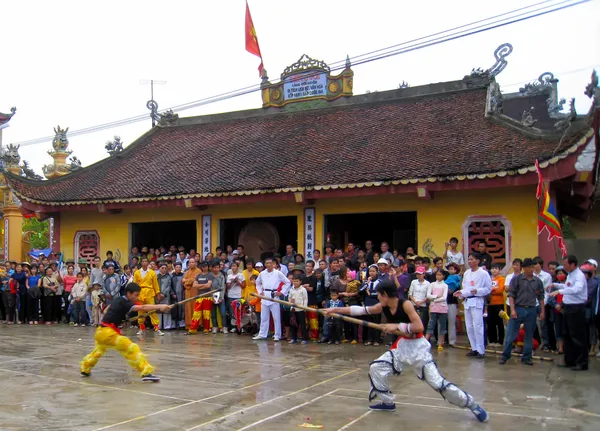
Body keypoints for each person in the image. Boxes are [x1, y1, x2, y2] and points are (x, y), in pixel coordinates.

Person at [325, 280, 489, 421]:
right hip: (402, 347)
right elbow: (360, 310)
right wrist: (334, 310)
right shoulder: (383, 306)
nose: (378, 298)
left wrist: (396, 326)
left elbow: (419, 327)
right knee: (377, 367)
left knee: (438, 383)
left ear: (385, 294)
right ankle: (388, 402)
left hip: (418, 348)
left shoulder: (406, 304)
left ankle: (471, 405)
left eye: (379, 295)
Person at [80, 283, 169, 382]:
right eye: (136, 295)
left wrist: (120, 319)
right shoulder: (125, 302)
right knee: (132, 348)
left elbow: (106, 311)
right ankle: (145, 372)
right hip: (108, 333)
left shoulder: (118, 299)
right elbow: (143, 308)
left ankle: (85, 368)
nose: (137, 297)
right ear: (128, 293)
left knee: (97, 351)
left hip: (101, 331)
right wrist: (160, 306)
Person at [499, 258, 544, 366]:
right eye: (529, 267)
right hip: (518, 308)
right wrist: (513, 310)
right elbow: (511, 296)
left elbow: (541, 297)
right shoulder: (516, 279)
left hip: (532, 309)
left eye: (533, 267)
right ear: (524, 268)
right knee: (511, 334)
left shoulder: (537, 281)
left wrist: (542, 311)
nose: (531, 269)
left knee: (529, 334)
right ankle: (505, 355)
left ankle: (527, 357)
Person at [549, 255, 588, 370]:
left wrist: (559, 291)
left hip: (576, 308)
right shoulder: (571, 275)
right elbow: (568, 286)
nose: (564, 267)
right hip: (568, 307)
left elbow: (576, 289)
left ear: (572, 264)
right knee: (567, 335)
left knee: (577, 336)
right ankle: (570, 360)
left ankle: (581, 362)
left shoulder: (579, 276)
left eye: (566, 265)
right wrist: (555, 285)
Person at [454, 253, 492, 358]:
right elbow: (465, 287)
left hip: (477, 300)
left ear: (477, 261)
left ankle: (481, 350)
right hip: (467, 301)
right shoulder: (466, 273)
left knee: (478, 326)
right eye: (469, 259)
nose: (469, 261)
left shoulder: (483, 273)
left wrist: (477, 290)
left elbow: (488, 288)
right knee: (469, 326)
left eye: (472, 259)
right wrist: (461, 293)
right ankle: (474, 348)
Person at [253, 258, 290, 342]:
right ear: (265, 264)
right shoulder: (262, 273)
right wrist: (260, 292)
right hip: (265, 295)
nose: (269, 264)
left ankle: (277, 335)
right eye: (267, 263)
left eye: (270, 263)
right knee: (264, 317)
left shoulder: (278, 273)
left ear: (273, 264)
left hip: (274, 295)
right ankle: (262, 334)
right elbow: (258, 283)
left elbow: (287, 282)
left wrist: (281, 292)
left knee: (276, 317)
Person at [133, 257, 164, 336]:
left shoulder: (152, 273)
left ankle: (156, 327)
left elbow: (155, 284)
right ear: (141, 263)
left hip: (149, 292)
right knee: (140, 311)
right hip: (140, 293)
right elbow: (134, 284)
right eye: (143, 261)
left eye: (146, 261)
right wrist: (134, 294)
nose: (144, 263)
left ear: (148, 263)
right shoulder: (137, 272)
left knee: (152, 310)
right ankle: (141, 328)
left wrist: (158, 293)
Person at [186, 260, 214, 334]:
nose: (205, 268)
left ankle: (206, 329)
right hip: (199, 297)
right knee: (196, 313)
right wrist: (203, 286)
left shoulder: (210, 275)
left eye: (206, 266)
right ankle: (192, 329)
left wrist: (200, 286)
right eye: (203, 266)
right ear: (201, 267)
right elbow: (194, 285)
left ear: (208, 267)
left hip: (207, 297)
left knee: (206, 313)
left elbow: (209, 285)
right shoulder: (198, 275)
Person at [426, 270, 448, 351]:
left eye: (440, 275)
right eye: (437, 275)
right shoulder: (432, 284)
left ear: (443, 276)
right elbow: (428, 295)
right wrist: (436, 297)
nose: (438, 276)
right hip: (433, 307)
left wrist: (434, 299)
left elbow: (444, 297)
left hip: (442, 308)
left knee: (442, 326)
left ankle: (440, 343)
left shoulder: (445, 285)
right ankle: (425, 342)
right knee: (431, 325)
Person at [362, 265, 381, 346]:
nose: (371, 273)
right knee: (369, 322)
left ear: (376, 272)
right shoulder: (366, 282)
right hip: (368, 304)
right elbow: (361, 290)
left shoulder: (379, 282)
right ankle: (369, 339)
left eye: (373, 271)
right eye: (370, 271)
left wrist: (370, 294)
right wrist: (367, 283)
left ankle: (377, 339)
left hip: (376, 304)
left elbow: (378, 294)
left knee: (376, 322)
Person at [488, 263, 506, 347]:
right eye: (492, 268)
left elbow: (500, 290)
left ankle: (500, 341)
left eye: (496, 268)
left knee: (499, 322)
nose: (494, 270)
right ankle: (492, 340)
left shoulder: (502, 279)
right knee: (490, 322)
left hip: (499, 303)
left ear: (499, 270)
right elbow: (486, 289)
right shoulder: (488, 279)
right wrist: (494, 289)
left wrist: (491, 290)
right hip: (489, 303)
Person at [288, 274, 309, 344]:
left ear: (300, 282)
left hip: (301, 309)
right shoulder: (291, 289)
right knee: (293, 324)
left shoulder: (303, 290)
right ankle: (294, 338)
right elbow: (289, 298)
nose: (295, 283)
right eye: (294, 281)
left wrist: (304, 308)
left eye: (297, 281)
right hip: (293, 309)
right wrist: (291, 301)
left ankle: (304, 339)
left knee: (302, 325)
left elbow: (305, 299)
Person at [408, 266, 430, 330]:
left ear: (424, 274)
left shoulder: (427, 283)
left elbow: (428, 296)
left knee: (423, 322)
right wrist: (415, 302)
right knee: (413, 322)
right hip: (414, 304)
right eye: (417, 274)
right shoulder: (413, 282)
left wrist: (421, 302)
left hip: (423, 305)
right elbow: (410, 294)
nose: (418, 275)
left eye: (420, 274)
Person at [445, 263, 461, 347]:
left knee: (451, 322)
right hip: (444, 302)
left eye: (452, 269)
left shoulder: (457, 280)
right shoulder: (447, 278)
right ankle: (443, 340)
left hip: (452, 302)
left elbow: (451, 291)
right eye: (450, 269)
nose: (451, 270)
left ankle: (452, 340)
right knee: (443, 322)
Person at [227, 261, 245, 333]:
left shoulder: (241, 275)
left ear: (237, 267)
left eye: (234, 266)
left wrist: (238, 282)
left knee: (239, 311)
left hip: (238, 295)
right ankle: (234, 327)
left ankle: (240, 326)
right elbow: (228, 286)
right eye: (232, 266)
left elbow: (244, 286)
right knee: (232, 312)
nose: (233, 267)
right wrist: (232, 282)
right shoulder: (229, 276)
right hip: (231, 295)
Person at [210, 260, 227, 334]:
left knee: (223, 313)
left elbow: (223, 287)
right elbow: (209, 288)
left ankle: (224, 327)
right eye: (215, 267)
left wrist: (221, 298)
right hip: (212, 296)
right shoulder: (209, 275)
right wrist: (212, 297)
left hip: (220, 296)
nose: (216, 269)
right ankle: (215, 327)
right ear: (212, 268)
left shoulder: (221, 276)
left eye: (218, 267)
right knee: (213, 314)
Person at [157, 263, 174, 330]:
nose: (164, 269)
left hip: (166, 296)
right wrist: (158, 294)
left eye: (165, 268)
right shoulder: (156, 276)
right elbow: (155, 286)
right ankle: (158, 326)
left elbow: (169, 286)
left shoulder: (169, 276)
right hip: (158, 295)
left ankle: (167, 326)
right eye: (162, 268)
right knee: (158, 310)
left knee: (167, 309)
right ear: (159, 269)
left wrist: (163, 294)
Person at [170, 262, 186, 329]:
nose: (178, 268)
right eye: (176, 267)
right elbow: (169, 285)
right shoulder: (171, 275)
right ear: (174, 268)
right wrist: (172, 293)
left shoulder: (184, 275)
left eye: (179, 267)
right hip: (173, 295)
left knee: (182, 309)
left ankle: (181, 324)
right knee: (174, 309)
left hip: (182, 295)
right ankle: (173, 324)